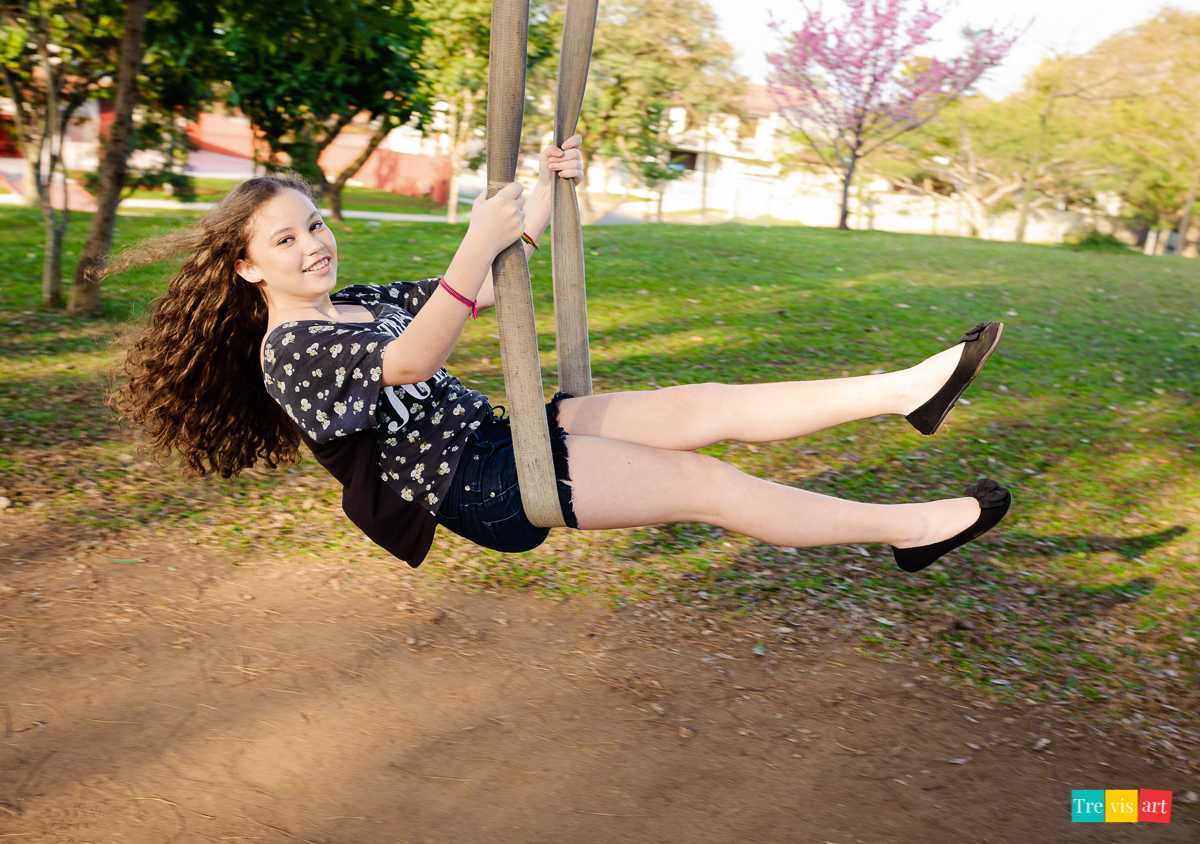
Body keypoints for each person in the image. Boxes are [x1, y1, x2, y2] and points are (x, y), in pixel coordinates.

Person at [111, 135, 1011, 572]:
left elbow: (490, 279)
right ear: (244, 267)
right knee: (708, 485)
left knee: (704, 402)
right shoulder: (290, 354)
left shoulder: (353, 302)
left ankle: (907, 390)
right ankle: (912, 530)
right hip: (485, 488)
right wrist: (469, 249)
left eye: (313, 224)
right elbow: (418, 358)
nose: (312, 244)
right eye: (284, 241)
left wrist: (544, 184)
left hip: (507, 438)